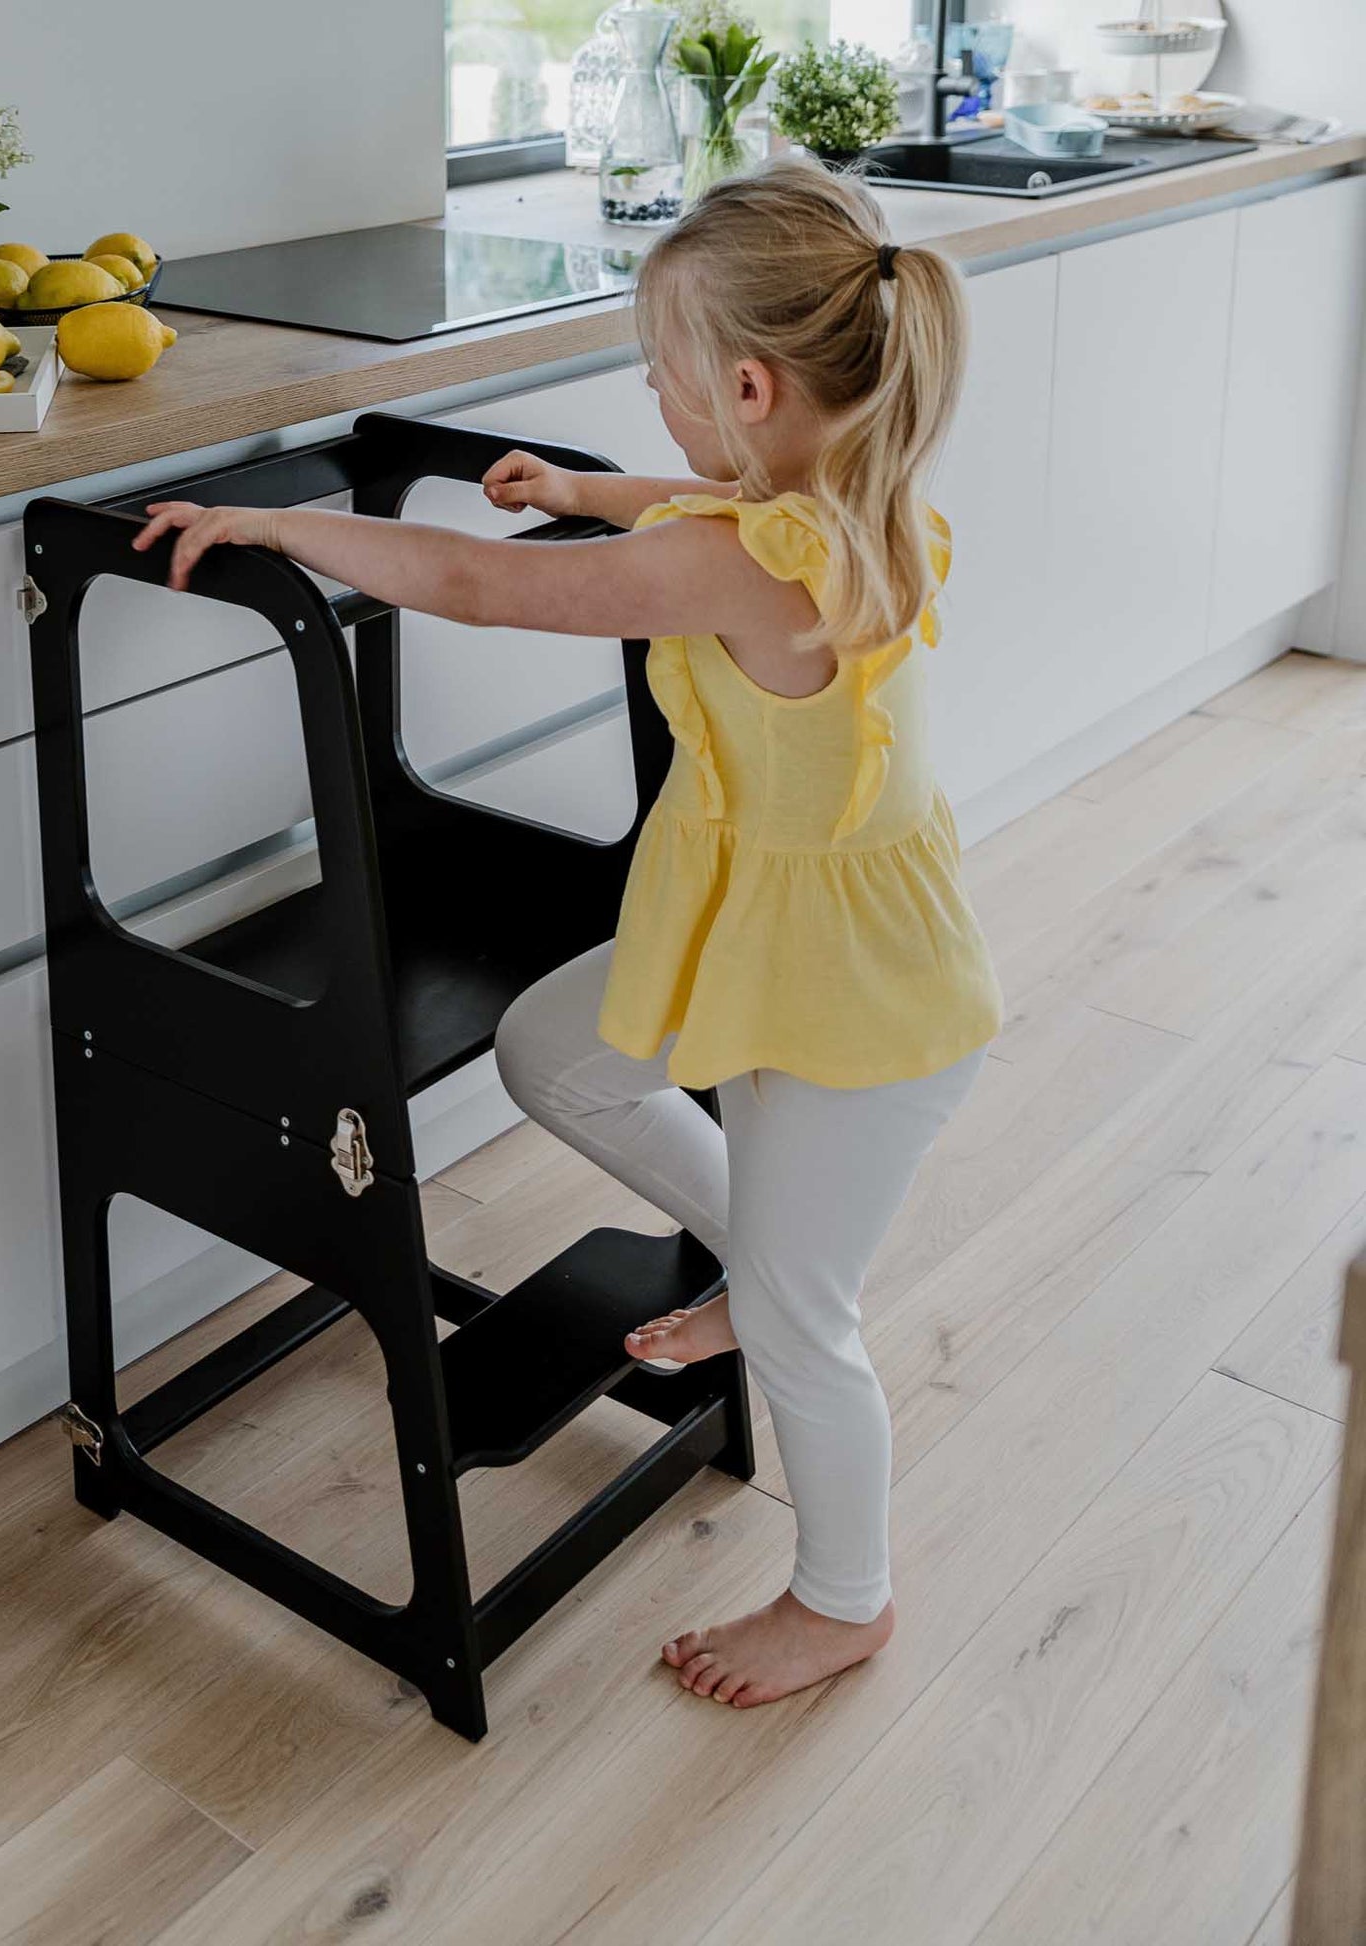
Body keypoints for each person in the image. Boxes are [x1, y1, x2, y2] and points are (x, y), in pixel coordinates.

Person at [131, 156, 1002, 1709]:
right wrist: (586, 487)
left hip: (859, 1005)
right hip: (791, 933)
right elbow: (698, 505)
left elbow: (474, 585)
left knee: (809, 1322)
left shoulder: (740, 554)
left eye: (661, 379)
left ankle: (844, 1596)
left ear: (743, 384)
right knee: (556, 1049)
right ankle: (758, 1239)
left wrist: (288, 540)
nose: (652, 402)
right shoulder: (836, 497)